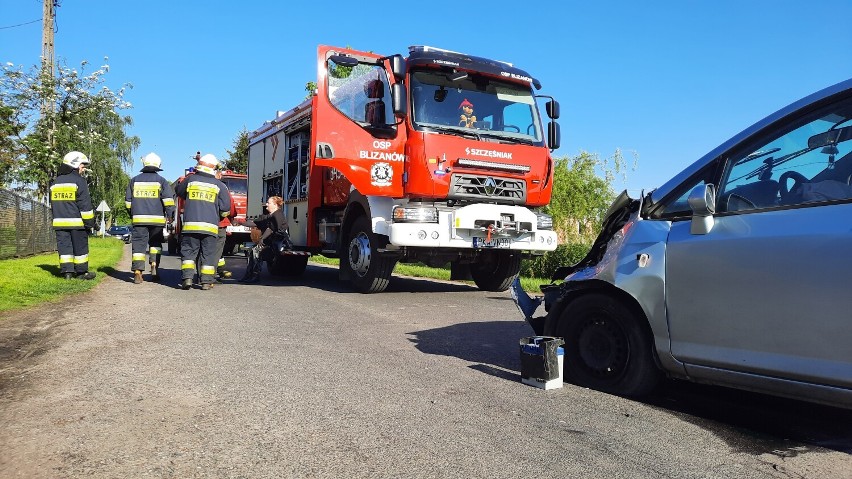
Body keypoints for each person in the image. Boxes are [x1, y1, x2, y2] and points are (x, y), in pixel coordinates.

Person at [173, 153, 232, 290]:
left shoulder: (190, 180)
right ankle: (206, 282)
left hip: (190, 227)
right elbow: (225, 209)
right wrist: (217, 213)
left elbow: (179, 192)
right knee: (208, 255)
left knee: (188, 253)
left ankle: (187, 278)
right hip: (210, 228)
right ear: (214, 168)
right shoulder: (220, 185)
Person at [125, 152, 176, 284]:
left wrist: (133, 213)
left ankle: (137, 272)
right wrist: (170, 216)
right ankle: (154, 265)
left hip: (139, 220)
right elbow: (169, 202)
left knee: (138, 246)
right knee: (155, 245)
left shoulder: (134, 180)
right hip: (157, 221)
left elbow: (128, 202)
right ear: (158, 165)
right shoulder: (162, 181)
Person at [49, 151, 96, 280]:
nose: (84, 168)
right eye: (82, 165)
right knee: (80, 248)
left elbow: (53, 204)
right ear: (75, 164)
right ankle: (81, 273)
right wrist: (90, 224)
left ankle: (67, 273)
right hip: (77, 223)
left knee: (64, 248)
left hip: (59, 223)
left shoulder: (55, 182)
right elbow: (85, 206)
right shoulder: (79, 181)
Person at [239, 195, 291, 283]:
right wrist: (240, 223)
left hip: (278, 243)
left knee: (257, 251)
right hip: (271, 242)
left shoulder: (277, 215)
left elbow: (271, 229)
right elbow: (255, 223)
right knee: (253, 251)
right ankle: (248, 275)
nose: (266, 204)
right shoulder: (268, 216)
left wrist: (262, 239)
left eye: (269, 203)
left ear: (275, 204)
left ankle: (255, 276)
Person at [213, 169, 237, 282]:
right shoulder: (222, 187)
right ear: (217, 175)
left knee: (205, 249)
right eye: (220, 174)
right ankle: (209, 276)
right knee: (217, 249)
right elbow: (229, 204)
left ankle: (220, 269)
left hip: (201, 223)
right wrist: (232, 217)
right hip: (219, 224)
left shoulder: (200, 183)